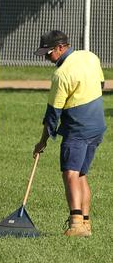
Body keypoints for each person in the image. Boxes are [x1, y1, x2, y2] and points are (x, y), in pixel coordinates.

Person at [32, 30, 106, 237]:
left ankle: (75, 224)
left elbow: (52, 114)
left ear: (61, 47)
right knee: (81, 174)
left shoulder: (61, 74)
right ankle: (86, 223)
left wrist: (42, 142)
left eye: (48, 53)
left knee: (70, 173)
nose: (47, 58)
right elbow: (101, 85)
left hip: (78, 128)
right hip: (97, 125)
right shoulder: (90, 57)